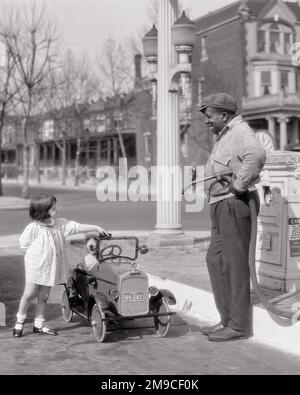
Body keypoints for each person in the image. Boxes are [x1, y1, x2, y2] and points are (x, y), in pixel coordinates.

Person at [199, 93, 266, 342]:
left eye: (209, 116)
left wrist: (239, 186)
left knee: (235, 264)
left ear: (224, 115)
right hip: (220, 204)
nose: (207, 121)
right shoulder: (224, 134)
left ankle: (239, 325)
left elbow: (256, 155)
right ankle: (226, 319)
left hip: (233, 203)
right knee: (215, 260)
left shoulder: (240, 130)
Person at [13, 194, 110, 338]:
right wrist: (36, 258)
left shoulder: (60, 224)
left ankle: (38, 325)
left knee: (44, 296)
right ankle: (19, 322)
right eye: (52, 208)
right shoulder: (33, 228)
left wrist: (95, 227)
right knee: (29, 294)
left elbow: (77, 227)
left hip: (50, 267)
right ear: (42, 211)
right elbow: (24, 246)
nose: (55, 209)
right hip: (35, 266)